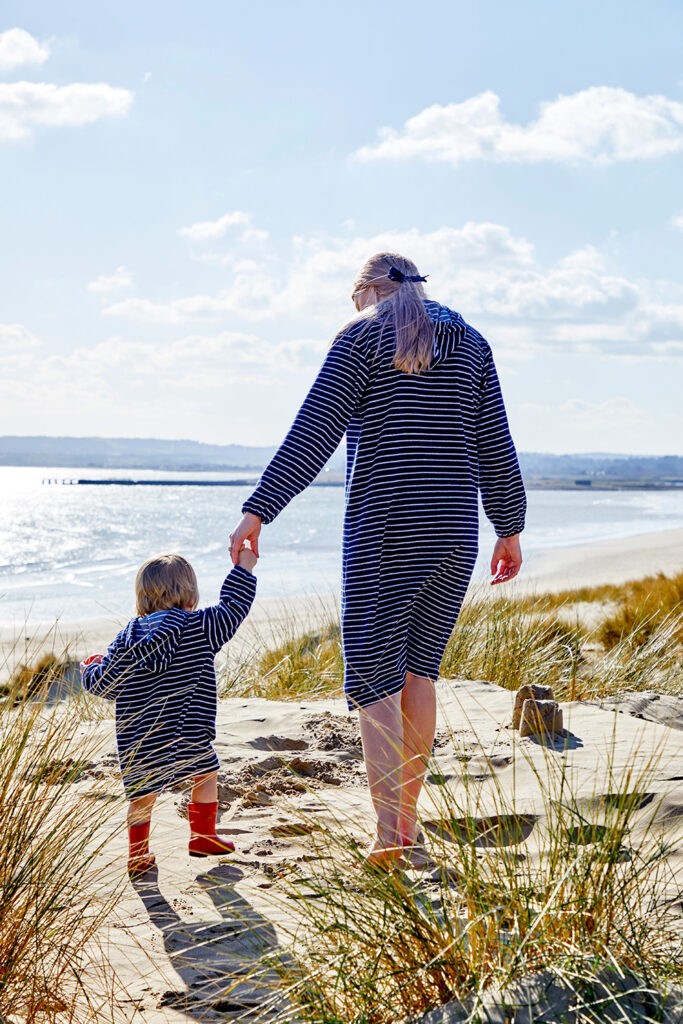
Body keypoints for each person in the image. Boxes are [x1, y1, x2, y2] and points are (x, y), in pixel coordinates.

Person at [230, 251, 526, 867]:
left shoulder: (362, 338)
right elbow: (495, 443)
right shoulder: (472, 343)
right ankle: (406, 827)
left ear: (368, 289)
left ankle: (389, 835)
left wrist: (259, 510)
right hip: (454, 533)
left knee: (373, 681)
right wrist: (510, 528)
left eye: (355, 298)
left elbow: (312, 434)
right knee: (419, 674)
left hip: (386, 529)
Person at [80, 550, 257, 877]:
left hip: (141, 740)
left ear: (142, 597)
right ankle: (202, 836)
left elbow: (104, 685)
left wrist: (90, 668)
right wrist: (243, 569)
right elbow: (234, 606)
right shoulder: (201, 627)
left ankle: (138, 855)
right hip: (188, 731)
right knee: (206, 774)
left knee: (142, 797)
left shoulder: (127, 639)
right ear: (191, 595)